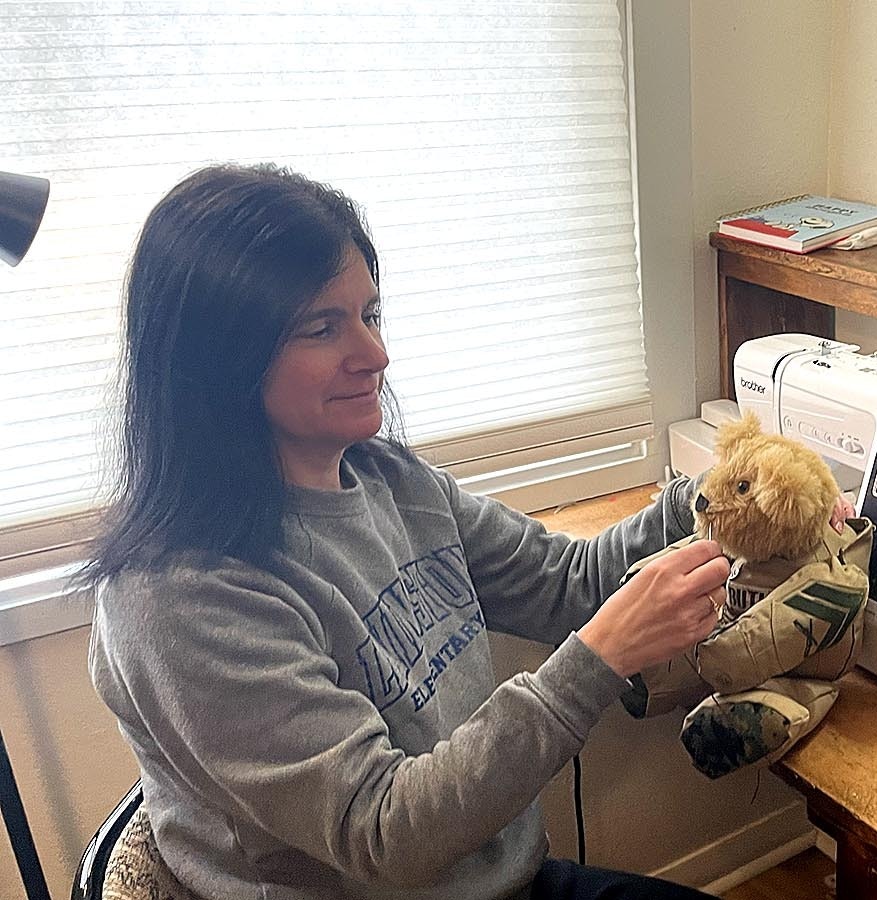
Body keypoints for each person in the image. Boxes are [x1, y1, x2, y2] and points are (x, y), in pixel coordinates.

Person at [84, 163, 733, 900]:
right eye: (323, 328)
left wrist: (719, 495)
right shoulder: (178, 597)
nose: (375, 356)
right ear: (219, 361)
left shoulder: (389, 478)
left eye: (370, 315)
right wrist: (601, 656)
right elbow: (384, 834)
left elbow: (569, 584)